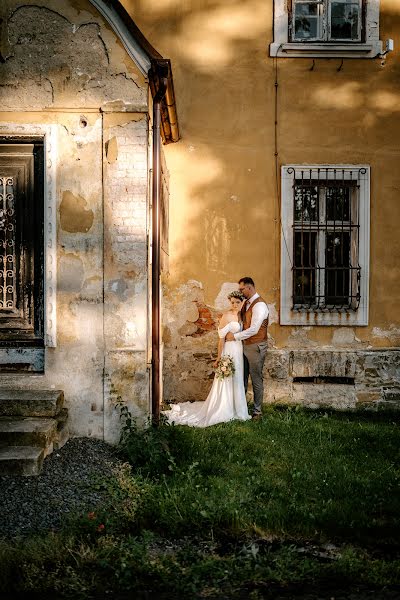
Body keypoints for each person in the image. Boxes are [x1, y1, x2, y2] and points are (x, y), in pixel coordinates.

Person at [162, 290, 251, 427]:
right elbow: (221, 339)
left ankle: (237, 409)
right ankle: (224, 409)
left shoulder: (241, 315)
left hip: (238, 350)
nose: (234, 305)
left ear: (242, 303)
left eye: (237, 302)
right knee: (227, 378)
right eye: (232, 302)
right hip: (229, 351)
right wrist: (219, 358)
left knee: (237, 377)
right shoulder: (226, 316)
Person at [225, 277, 269, 420]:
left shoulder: (259, 305)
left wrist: (235, 337)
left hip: (256, 346)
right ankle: (240, 409)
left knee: (256, 378)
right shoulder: (246, 303)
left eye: (241, 289)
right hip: (243, 346)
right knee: (241, 377)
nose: (240, 291)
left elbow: (254, 329)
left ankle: (257, 412)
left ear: (249, 288)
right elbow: (243, 323)